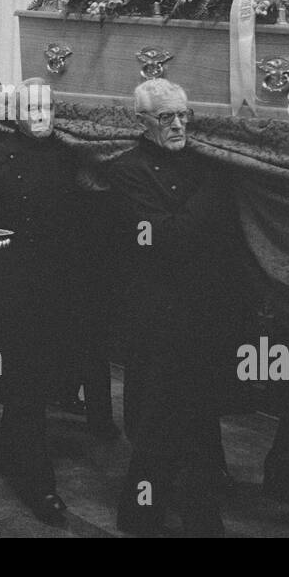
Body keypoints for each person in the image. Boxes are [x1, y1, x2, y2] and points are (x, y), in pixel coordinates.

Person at [108, 78, 242, 537]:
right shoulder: (127, 169)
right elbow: (162, 238)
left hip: (204, 311)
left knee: (200, 419)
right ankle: (141, 517)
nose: (180, 124)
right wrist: (209, 197)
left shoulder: (207, 163)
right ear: (142, 121)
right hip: (157, 315)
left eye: (185, 115)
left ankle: (201, 515)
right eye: (167, 117)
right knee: (158, 420)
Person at [0, 80, 84, 525]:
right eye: (31, 107)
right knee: (25, 381)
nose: (40, 115)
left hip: (57, 285)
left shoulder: (69, 154)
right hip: (10, 287)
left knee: (39, 380)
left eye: (47, 107)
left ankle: (6, 451)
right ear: (15, 113)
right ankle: (38, 480)